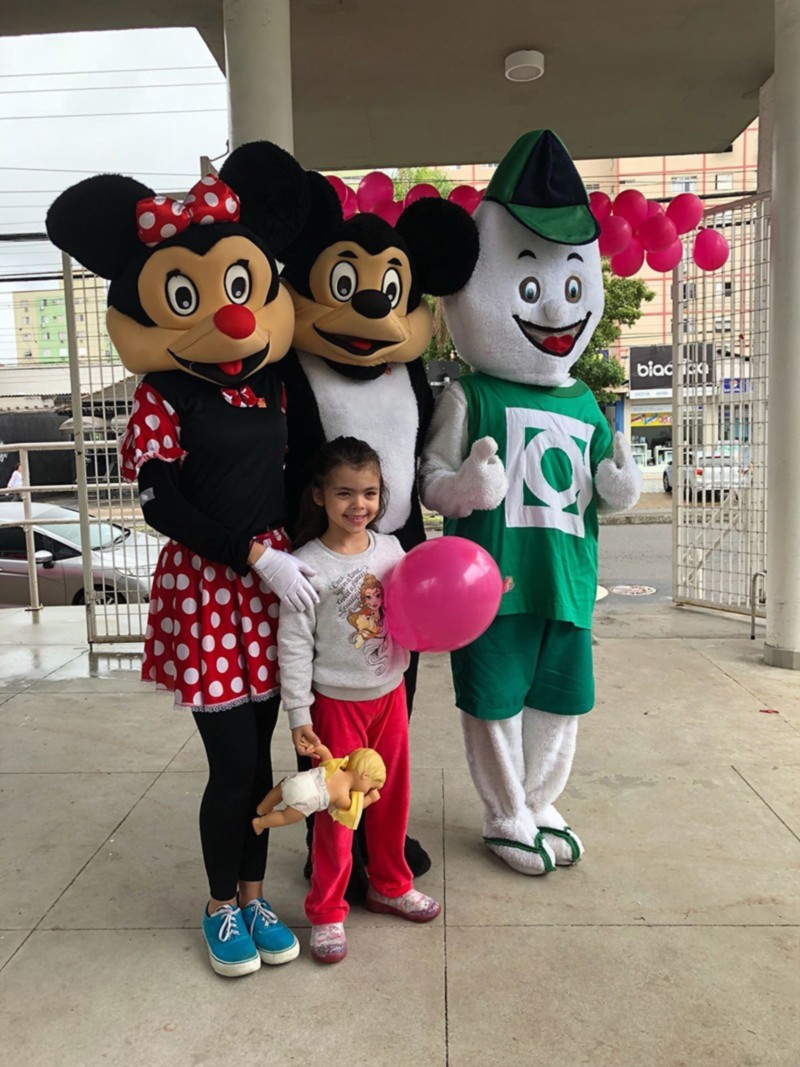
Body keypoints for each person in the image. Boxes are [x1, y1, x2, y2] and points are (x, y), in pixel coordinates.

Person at [278, 436, 441, 964]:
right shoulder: (305, 565)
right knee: (337, 811)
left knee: (391, 799)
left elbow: (425, 598)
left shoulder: (392, 550)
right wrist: (298, 713)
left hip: (389, 696)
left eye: (369, 493)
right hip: (334, 708)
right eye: (344, 493)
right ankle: (327, 912)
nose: (358, 505)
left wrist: (480, 594)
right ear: (319, 495)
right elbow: (293, 645)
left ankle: (390, 886)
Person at [252, 744, 385, 834]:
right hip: (305, 800)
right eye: (370, 787)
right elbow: (354, 806)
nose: (367, 790)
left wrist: (313, 746)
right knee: (286, 817)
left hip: (296, 782)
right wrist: (370, 798)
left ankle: (263, 807)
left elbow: (324, 752)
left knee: (281, 788)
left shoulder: (334, 767)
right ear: (364, 776)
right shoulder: (343, 796)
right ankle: (260, 823)